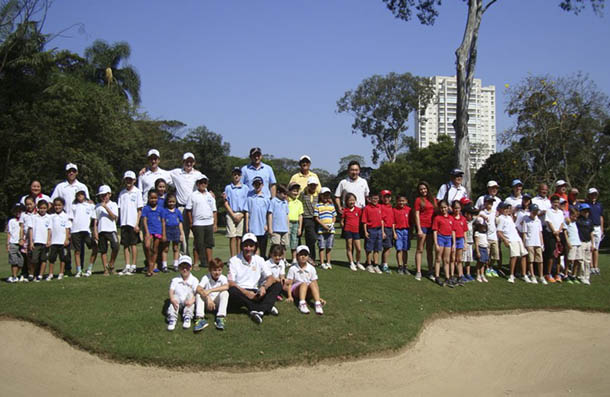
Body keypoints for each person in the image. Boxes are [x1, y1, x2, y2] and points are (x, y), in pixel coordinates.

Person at [227, 233, 282, 324]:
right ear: (242, 246)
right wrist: (246, 293)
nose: (248, 248)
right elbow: (231, 282)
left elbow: (270, 277)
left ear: (255, 247)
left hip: (256, 291)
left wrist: (264, 287)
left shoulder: (259, 260)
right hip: (240, 291)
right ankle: (261, 308)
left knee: (277, 284)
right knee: (232, 290)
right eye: (246, 245)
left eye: (251, 246)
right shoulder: (234, 260)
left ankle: (259, 310)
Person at [170, 152, 205, 255]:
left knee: (197, 233)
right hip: (181, 207)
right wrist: (146, 169)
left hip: (195, 208)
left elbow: (205, 184)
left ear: (194, 162)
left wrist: (209, 192)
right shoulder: (176, 172)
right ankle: (184, 256)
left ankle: (198, 257)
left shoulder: (198, 174)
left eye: (191, 161)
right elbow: (160, 173)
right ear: (183, 162)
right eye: (187, 161)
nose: (189, 163)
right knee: (183, 234)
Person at [186, 175, 217, 268]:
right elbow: (188, 210)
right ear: (197, 184)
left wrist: (215, 224)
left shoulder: (210, 196)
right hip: (198, 223)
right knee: (197, 244)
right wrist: (191, 222)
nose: (203, 184)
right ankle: (196, 263)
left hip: (209, 222)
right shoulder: (193, 195)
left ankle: (209, 262)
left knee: (209, 244)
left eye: (205, 182)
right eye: (201, 182)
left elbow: (214, 211)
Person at [285, 245, 325, 315]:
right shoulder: (293, 268)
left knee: (312, 284)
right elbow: (289, 284)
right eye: (301, 255)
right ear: (297, 256)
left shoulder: (311, 268)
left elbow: (315, 284)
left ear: (308, 257)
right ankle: (302, 303)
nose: (303, 256)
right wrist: (290, 296)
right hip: (296, 290)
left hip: (308, 290)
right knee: (303, 284)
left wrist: (318, 297)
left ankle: (317, 304)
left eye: (305, 255)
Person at [118, 171, 143, 276]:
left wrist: (137, 224)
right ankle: (127, 265)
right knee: (125, 245)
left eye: (130, 179)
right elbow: (119, 209)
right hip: (124, 222)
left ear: (134, 180)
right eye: (127, 179)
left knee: (133, 244)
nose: (128, 181)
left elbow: (139, 209)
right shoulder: (122, 193)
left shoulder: (137, 192)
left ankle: (133, 265)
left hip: (133, 223)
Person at [193, 258, 229, 332]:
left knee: (225, 293)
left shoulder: (223, 278)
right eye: (214, 270)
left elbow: (226, 286)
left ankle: (220, 317)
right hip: (207, 303)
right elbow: (198, 288)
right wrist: (208, 298)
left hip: (217, 302)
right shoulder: (206, 277)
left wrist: (210, 290)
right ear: (210, 270)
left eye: (219, 270)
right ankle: (200, 318)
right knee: (199, 294)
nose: (217, 272)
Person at [497, 203, 529, 284]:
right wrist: (505, 240)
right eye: (505, 209)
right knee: (514, 256)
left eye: (508, 208)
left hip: (517, 238)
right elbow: (499, 232)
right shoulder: (501, 218)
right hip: (510, 239)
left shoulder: (509, 217)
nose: (507, 210)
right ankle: (511, 275)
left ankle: (524, 274)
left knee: (524, 255)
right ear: (501, 210)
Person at [166, 255, 198, 331]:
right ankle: (172, 318)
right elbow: (171, 290)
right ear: (179, 268)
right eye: (182, 267)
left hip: (188, 301)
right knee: (175, 298)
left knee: (191, 295)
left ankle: (187, 317)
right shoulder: (175, 279)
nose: (184, 269)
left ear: (190, 268)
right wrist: (172, 299)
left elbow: (196, 293)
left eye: (187, 267)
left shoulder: (194, 280)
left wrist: (192, 301)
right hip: (178, 302)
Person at [70, 189, 97, 278]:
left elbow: (94, 219)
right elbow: (70, 219)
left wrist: (94, 232)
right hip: (75, 230)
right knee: (77, 251)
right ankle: (79, 270)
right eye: (78, 195)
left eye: (81, 195)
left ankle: (89, 268)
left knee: (94, 248)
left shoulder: (90, 206)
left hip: (86, 230)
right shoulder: (73, 206)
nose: (80, 197)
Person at [93, 185, 119, 276]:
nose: (104, 197)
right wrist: (95, 231)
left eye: (105, 195)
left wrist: (106, 208)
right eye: (102, 195)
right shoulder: (97, 206)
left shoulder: (113, 204)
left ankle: (111, 264)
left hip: (111, 229)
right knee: (103, 250)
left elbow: (114, 217)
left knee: (115, 246)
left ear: (109, 194)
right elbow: (95, 220)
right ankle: (105, 269)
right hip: (101, 230)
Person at [414, 181, 436, 281]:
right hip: (422, 226)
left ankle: (430, 271)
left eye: (424, 188)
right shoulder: (418, 200)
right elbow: (417, 214)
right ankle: (418, 271)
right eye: (421, 189)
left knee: (430, 250)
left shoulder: (433, 200)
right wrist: (418, 229)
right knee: (420, 249)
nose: (423, 190)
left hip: (431, 227)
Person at [223, 167, 248, 258]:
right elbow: (226, 202)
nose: (236, 176)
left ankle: (239, 257)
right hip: (231, 214)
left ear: (241, 175)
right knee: (232, 237)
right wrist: (233, 215)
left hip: (241, 214)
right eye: (234, 174)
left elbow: (247, 202)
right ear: (232, 175)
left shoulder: (245, 188)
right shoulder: (228, 188)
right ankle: (233, 258)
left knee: (239, 237)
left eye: (238, 174)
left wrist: (242, 214)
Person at [245, 176, 270, 256]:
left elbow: (268, 213)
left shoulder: (266, 198)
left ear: (262, 185)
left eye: (259, 184)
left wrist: (268, 225)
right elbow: (247, 212)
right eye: (255, 184)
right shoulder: (250, 198)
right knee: (253, 248)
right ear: (253, 185)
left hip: (263, 227)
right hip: (253, 227)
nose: (257, 186)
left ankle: (262, 262)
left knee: (263, 248)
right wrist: (247, 225)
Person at [543, 195, 565, 283]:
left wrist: (559, 231)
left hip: (559, 234)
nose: (556, 204)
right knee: (551, 255)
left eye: (557, 202)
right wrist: (555, 233)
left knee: (559, 254)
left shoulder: (560, 212)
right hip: (551, 235)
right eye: (554, 202)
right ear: (551, 203)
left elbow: (562, 223)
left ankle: (557, 273)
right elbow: (548, 222)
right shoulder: (549, 211)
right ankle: (548, 273)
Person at [28, 199, 51, 282]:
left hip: (44, 242)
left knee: (43, 259)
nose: (42, 210)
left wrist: (48, 240)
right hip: (36, 241)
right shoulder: (33, 217)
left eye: (44, 208)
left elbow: (49, 230)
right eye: (41, 208)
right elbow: (30, 229)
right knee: (34, 259)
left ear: (47, 208)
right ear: (37, 208)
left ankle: (40, 275)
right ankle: (31, 274)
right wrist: (31, 242)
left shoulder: (49, 217)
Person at [432, 200, 455, 287]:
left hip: (448, 239)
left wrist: (453, 243)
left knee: (447, 260)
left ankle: (447, 277)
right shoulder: (437, 218)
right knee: (438, 258)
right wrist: (436, 243)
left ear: (448, 207)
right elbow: (435, 231)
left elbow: (453, 231)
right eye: (441, 208)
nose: (443, 209)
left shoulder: (451, 218)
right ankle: (437, 276)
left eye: (445, 207)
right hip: (440, 238)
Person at [142, 189, 164, 276]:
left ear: (158, 198)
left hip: (158, 230)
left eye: (155, 198)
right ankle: (150, 263)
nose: (153, 200)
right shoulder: (146, 209)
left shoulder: (160, 209)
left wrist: (163, 232)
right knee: (147, 246)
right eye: (151, 198)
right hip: (149, 230)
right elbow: (144, 220)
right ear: (148, 198)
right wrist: (146, 232)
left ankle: (150, 270)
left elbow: (163, 221)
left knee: (155, 250)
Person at [48, 198, 71, 280]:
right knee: (51, 259)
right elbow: (50, 229)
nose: (57, 207)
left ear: (63, 206)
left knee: (63, 258)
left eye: (59, 205)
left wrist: (67, 239)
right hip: (54, 242)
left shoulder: (65, 216)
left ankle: (61, 273)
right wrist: (49, 240)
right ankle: (50, 274)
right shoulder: (52, 217)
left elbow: (67, 229)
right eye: (56, 205)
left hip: (62, 242)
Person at [161, 193, 185, 272]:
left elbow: (180, 223)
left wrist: (181, 233)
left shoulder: (177, 211)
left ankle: (175, 264)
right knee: (165, 248)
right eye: (170, 202)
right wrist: (163, 234)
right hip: (167, 230)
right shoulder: (164, 211)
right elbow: (163, 222)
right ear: (167, 202)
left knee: (176, 248)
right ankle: (164, 265)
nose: (171, 203)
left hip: (176, 230)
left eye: (173, 202)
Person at [521, 204, 544, 284]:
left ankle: (541, 276)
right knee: (530, 260)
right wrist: (524, 245)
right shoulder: (526, 220)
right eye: (533, 211)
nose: (535, 213)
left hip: (537, 242)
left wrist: (542, 244)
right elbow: (524, 233)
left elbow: (540, 233)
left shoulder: (538, 221)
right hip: (529, 242)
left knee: (540, 260)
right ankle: (532, 275)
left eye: (536, 211)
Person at [314, 187, 336, 270]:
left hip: (331, 229)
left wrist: (332, 224)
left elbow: (334, 216)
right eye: (324, 195)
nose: (326, 197)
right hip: (321, 230)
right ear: (321, 196)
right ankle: (322, 263)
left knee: (329, 247)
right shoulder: (318, 206)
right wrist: (323, 225)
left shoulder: (331, 206)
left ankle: (328, 262)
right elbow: (316, 218)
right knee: (322, 247)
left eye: (327, 195)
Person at [479, 195, 501, 278]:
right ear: (485, 203)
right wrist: (483, 216)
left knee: (495, 255)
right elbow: (478, 215)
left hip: (494, 236)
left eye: (491, 202)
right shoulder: (482, 212)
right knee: (487, 255)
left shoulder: (494, 212)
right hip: (486, 237)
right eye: (489, 202)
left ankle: (491, 267)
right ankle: (487, 268)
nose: (490, 204)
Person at [362, 191, 383, 274]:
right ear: (369, 199)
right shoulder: (367, 208)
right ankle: (369, 264)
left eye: (377, 198)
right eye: (374, 198)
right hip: (371, 230)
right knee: (369, 248)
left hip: (379, 230)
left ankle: (376, 264)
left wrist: (382, 231)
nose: (375, 200)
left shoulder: (379, 207)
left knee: (377, 249)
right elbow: (364, 221)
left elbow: (382, 221)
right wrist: (365, 231)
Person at [342, 193, 363, 272]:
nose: (352, 202)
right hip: (348, 230)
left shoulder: (358, 210)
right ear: (346, 201)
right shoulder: (345, 210)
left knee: (359, 249)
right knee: (349, 248)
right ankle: (351, 263)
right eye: (350, 200)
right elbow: (342, 221)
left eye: (353, 200)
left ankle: (358, 262)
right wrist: (343, 226)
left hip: (356, 231)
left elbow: (361, 220)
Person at [299, 177, 319, 262]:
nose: (313, 187)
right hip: (305, 217)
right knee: (302, 237)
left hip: (314, 219)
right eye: (311, 185)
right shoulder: (303, 194)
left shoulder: (318, 195)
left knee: (311, 239)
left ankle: (311, 257)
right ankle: (301, 255)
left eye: (314, 185)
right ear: (308, 185)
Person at [267, 184, 290, 254]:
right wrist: (270, 228)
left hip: (284, 228)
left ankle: (283, 259)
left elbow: (287, 215)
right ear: (278, 192)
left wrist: (288, 228)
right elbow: (270, 215)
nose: (285, 196)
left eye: (286, 194)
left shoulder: (285, 202)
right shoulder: (273, 201)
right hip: (276, 228)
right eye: (284, 194)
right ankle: (273, 259)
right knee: (275, 245)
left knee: (284, 245)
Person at [586, 188, 604, 275]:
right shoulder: (587, 205)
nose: (594, 196)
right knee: (590, 247)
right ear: (589, 195)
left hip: (597, 228)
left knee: (596, 248)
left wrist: (602, 228)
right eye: (592, 194)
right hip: (590, 227)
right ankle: (591, 266)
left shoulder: (599, 205)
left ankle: (596, 267)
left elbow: (601, 217)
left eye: (595, 194)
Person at [450, 200, 468, 286]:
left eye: (458, 208)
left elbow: (465, 231)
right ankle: (452, 275)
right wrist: (453, 243)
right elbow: (452, 231)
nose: (457, 210)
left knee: (459, 259)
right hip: (453, 240)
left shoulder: (463, 219)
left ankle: (460, 276)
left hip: (460, 239)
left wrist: (465, 242)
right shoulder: (451, 218)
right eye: (455, 208)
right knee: (453, 259)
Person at [576, 203, 594, 285]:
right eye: (584, 211)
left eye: (587, 211)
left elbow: (591, 233)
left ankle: (587, 276)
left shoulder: (590, 221)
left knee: (588, 260)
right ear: (581, 211)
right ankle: (582, 276)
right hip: (581, 242)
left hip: (588, 242)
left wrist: (592, 244)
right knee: (581, 260)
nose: (586, 212)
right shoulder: (578, 221)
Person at [393, 194, 411, 276]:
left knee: (405, 249)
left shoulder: (409, 210)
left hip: (406, 231)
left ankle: (405, 266)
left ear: (406, 201)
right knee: (399, 249)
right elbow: (393, 223)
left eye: (403, 201)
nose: (401, 202)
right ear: (397, 201)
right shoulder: (394, 210)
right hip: (398, 230)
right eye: (400, 201)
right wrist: (394, 233)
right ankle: (400, 266)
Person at [564, 207, 583, 284]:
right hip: (572, 243)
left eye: (576, 216)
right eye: (574, 216)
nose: (575, 218)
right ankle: (566, 275)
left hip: (578, 243)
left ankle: (573, 275)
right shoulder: (567, 222)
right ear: (570, 215)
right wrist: (568, 242)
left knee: (577, 260)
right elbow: (565, 233)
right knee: (569, 260)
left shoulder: (575, 223)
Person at [6, 203, 24, 283]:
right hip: (13, 243)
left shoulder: (24, 221)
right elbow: (9, 233)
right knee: (14, 261)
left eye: (20, 211)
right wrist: (8, 244)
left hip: (22, 244)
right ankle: (14, 276)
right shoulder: (11, 221)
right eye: (16, 211)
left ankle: (16, 275)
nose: (18, 212)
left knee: (21, 261)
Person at [287, 182, 304, 264]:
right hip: (287, 223)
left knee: (294, 241)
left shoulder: (299, 203)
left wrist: (300, 227)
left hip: (296, 223)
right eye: (293, 191)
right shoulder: (286, 201)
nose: (295, 193)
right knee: (286, 241)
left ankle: (294, 259)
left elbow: (300, 215)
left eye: (297, 191)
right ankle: (283, 259)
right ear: (289, 191)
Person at [379, 190, 395, 274]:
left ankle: (383, 264)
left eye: (388, 197)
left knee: (388, 248)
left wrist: (394, 232)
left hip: (390, 229)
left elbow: (392, 221)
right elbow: (381, 220)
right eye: (384, 197)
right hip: (384, 229)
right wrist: (382, 232)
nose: (386, 199)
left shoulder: (391, 207)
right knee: (387, 248)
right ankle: (384, 265)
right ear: (381, 198)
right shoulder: (381, 207)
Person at [473, 216, 489, 283]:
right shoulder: (477, 233)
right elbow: (476, 243)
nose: (483, 228)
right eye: (482, 226)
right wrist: (478, 252)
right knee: (479, 262)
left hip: (485, 248)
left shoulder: (485, 234)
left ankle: (482, 274)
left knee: (483, 263)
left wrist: (488, 249)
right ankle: (478, 274)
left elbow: (486, 242)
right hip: (480, 248)